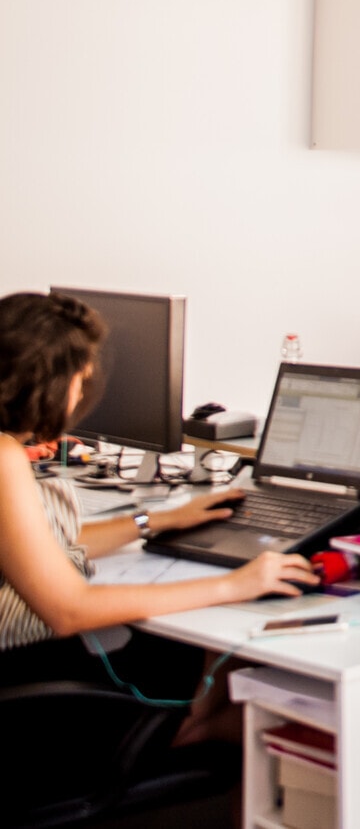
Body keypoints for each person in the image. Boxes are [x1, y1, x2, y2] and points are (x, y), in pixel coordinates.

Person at [0, 292, 318, 700]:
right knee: (207, 662)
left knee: (184, 658)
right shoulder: (5, 457)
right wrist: (237, 585)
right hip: (24, 680)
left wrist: (157, 521)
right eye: (81, 380)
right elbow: (68, 610)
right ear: (48, 384)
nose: (80, 396)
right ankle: (194, 736)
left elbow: (35, 548)